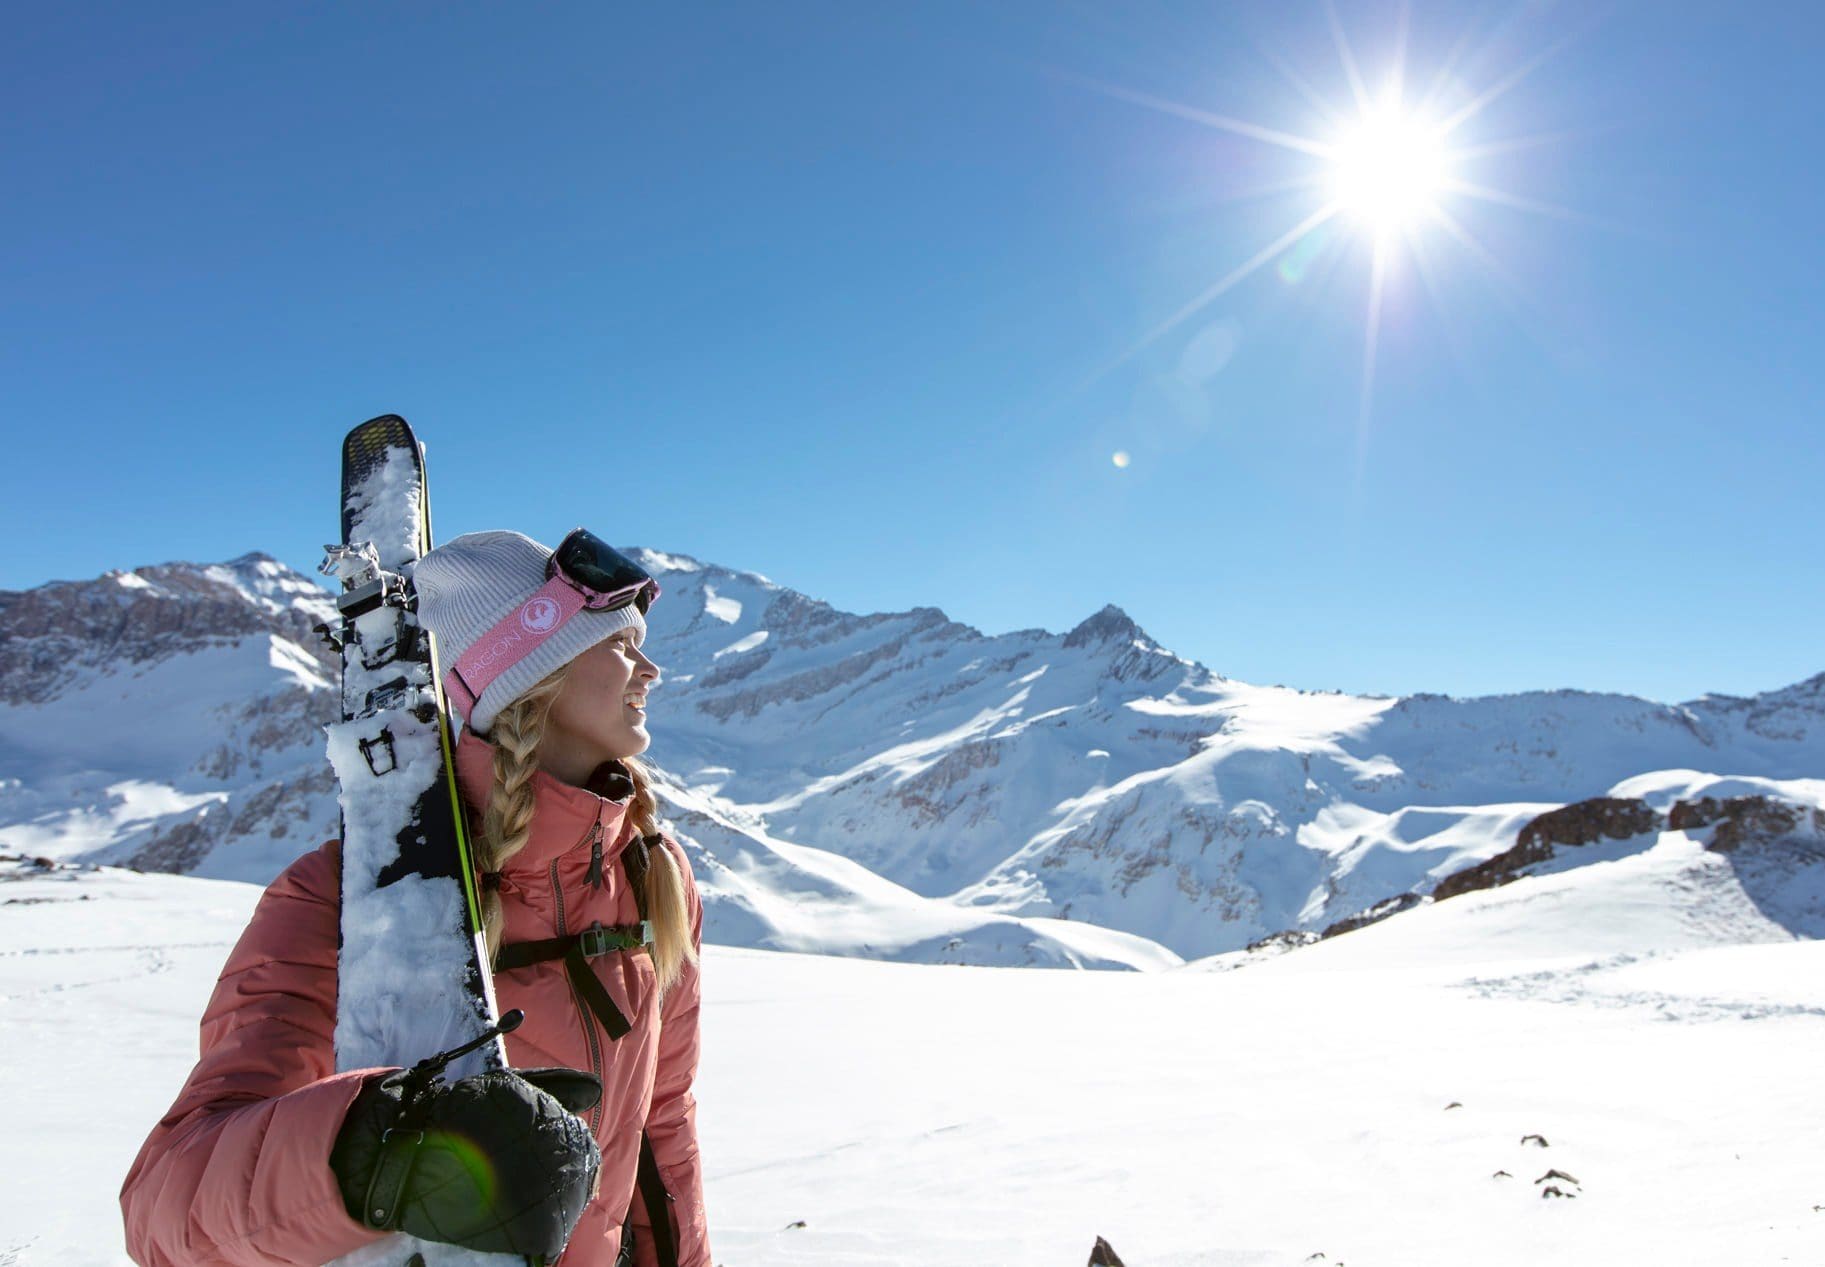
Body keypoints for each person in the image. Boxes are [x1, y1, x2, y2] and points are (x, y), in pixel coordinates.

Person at [120, 529, 712, 1267]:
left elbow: (663, 1130)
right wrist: (374, 1150)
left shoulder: (651, 875)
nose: (651, 669)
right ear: (536, 670)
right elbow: (163, 1210)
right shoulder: (346, 894)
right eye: (622, 643)